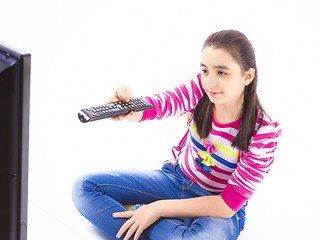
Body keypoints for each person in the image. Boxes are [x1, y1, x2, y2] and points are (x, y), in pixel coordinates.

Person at [72, 30, 281, 240]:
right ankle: (154, 223)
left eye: (222, 72)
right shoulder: (201, 90)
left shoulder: (263, 133)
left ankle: (143, 216)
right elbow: (164, 103)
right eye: (205, 70)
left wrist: (159, 209)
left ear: (247, 76)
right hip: (177, 180)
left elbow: (227, 205)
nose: (210, 82)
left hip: (218, 206)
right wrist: (130, 109)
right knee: (84, 188)